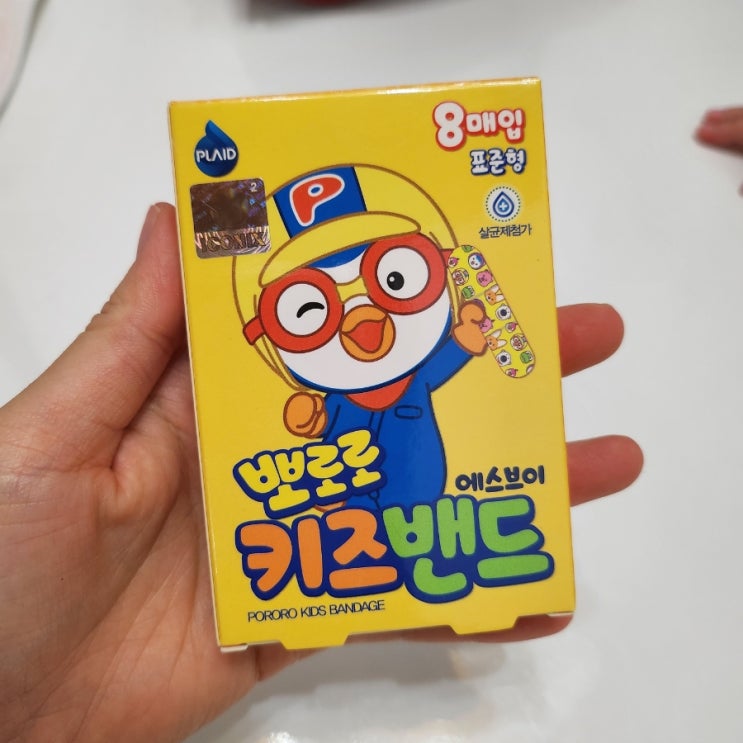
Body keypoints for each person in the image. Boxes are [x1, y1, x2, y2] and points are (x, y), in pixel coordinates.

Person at [0, 204, 643, 743]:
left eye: (393, 279)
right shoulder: (335, 397)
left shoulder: (416, 376)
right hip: (346, 522)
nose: (365, 321)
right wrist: (310, 418)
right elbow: (322, 421)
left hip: (427, 505)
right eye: (310, 311)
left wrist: (465, 342)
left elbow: (443, 363)